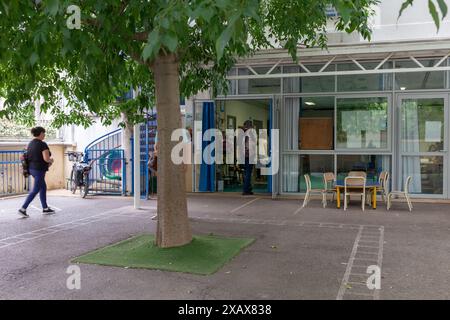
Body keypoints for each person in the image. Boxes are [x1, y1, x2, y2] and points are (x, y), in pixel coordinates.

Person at [18, 127, 55, 217]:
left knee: (43, 187)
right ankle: (23, 208)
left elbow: (24, 156)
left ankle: (45, 208)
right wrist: (51, 161)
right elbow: (46, 159)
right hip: (39, 170)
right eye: (44, 133)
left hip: (31, 169)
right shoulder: (42, 144)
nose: (44, 135)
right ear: (41, 133)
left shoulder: (30, 144)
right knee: (36, 189)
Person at [242, 120, 254, 195]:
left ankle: (247, 189)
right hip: (249, 155)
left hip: (244, 156)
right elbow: (248, 146)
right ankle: (246, 190)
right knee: (248, 173)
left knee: (246, 173)